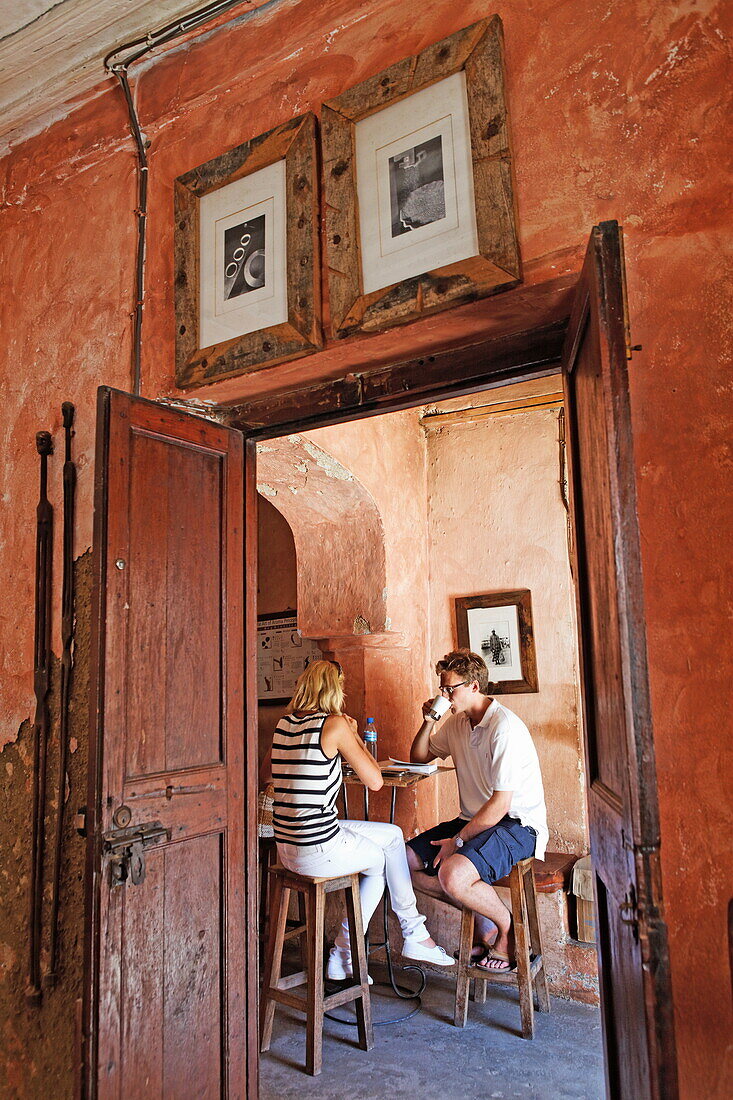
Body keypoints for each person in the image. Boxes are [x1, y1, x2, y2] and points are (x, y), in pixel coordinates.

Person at [263, 659, 454, 982]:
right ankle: (347, 952)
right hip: (316, 847)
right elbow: (375, 781)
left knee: (393, 836)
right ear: (334, 688)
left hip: (288, 846)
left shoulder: (284, 725)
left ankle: (411, 934)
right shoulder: (334, 725)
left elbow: (268, 773)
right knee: (379, 861)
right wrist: (353, 736)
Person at [406, 649, 548, 971]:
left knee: (452, 874)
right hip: (473, 819)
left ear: (473, 686)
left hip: (517, 825)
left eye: (449, 689)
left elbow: (501, 804)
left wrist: (457, 841)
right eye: (442, 688)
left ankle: (507, 927)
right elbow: (419, 757)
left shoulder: (503, 727)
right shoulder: (458, 723)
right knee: (402, 863)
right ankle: (483, 922)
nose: (443, 695)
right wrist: (429, 720)